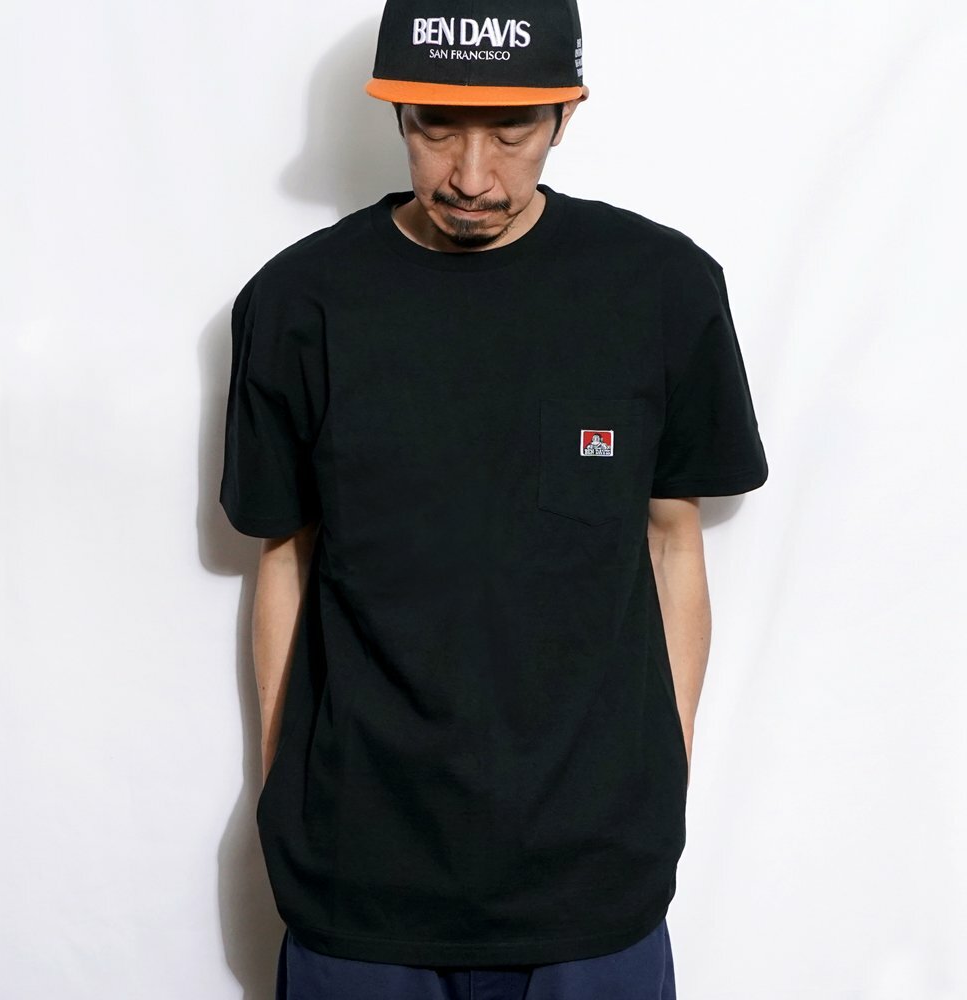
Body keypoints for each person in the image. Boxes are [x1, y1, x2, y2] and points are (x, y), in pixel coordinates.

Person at [218, 0, 769, 996]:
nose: (471, 176)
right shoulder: (301, 301)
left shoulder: (660, 289)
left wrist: (660, 781)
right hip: (357, 872)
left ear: (566, 114)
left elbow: (673, 542)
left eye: (511, 133)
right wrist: (283, 799)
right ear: (395, 113)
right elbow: (285, 557)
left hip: (593, 879)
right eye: (436, 128)